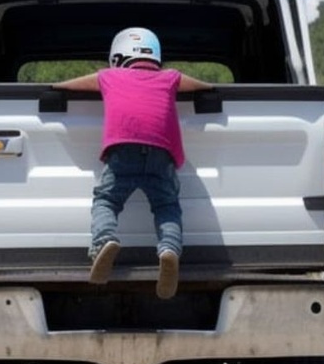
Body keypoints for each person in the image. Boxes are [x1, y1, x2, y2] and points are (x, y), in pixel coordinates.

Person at [53, 27, 213, 299]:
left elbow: (75, 84)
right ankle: (169, 250)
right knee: (166, 206)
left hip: (123, 150)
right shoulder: (170, 78)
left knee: (106, 201)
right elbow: (200, 85)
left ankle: (105, 241)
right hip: (162, 153)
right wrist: (212, 88)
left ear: (118, 57)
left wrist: (54, 88)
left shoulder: (109, 76)